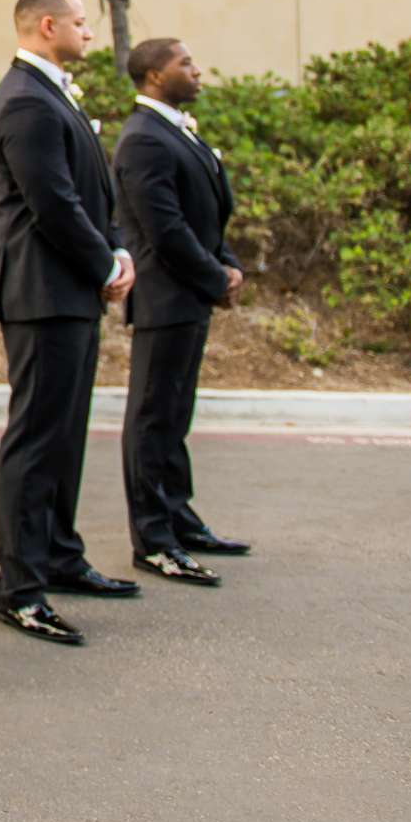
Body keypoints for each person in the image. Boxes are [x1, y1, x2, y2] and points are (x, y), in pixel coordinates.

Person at [0, 0, 137, 647]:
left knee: (66, 432)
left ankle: (60, 555)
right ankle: (19, 587)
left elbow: (87, 192)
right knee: (38, 435)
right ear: (48, 26)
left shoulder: (51, 92)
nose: (91, 33)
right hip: (42, 292)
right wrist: (106, 264)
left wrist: (116, 250)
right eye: (81, 22)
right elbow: (52, 202)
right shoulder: (23, 100)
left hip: (66, 290)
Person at [114, 37, 253, 586]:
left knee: (176, 414)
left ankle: (178, 515)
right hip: (165, 297)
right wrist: (214, 276)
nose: (197, 71)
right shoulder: (143, 138)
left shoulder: (174, 128)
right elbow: (164, 229)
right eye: (185, 64)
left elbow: (207, 213)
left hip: (190, 296)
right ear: (153, 75)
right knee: (153, 416)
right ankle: (153, 537)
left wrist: (227, 261)